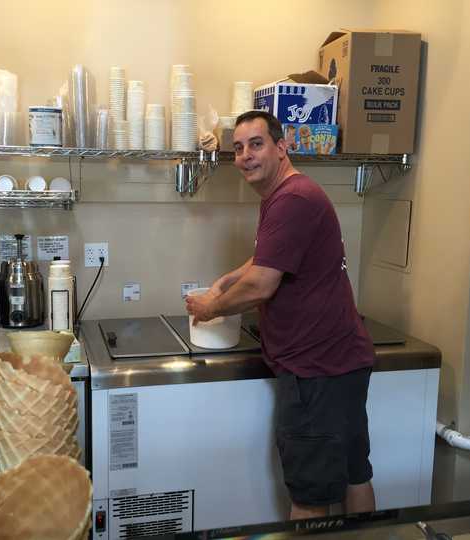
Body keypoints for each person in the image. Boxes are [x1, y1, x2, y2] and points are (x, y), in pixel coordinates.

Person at [185, 110, 376, 520]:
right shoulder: (293, 194)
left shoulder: (290, 199)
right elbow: (268, 257)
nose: (245, 156)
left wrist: (209, 307)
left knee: (309, 496)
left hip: (316, 371)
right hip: (342, 363)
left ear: (282, 147)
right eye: (237, 148)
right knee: (353, 476)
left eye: (256, 144)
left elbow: (261, 285)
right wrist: (227, 278)